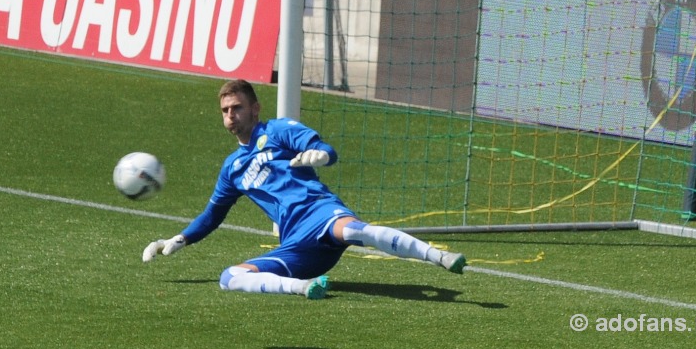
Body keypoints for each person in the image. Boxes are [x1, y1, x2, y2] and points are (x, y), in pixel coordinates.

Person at [142, 79, 466, 299]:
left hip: (320, 211)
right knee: (230, 278)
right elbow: (213, 214)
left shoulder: (278, 130)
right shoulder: (233, 168)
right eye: (225, 111)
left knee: (356, 231)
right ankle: (303, 287)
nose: (231, 116)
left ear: (255, 108)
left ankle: (437, 255)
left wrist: (321, 154)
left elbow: (323, 148)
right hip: (296, 242)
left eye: (237, 108)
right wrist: (180, 239)